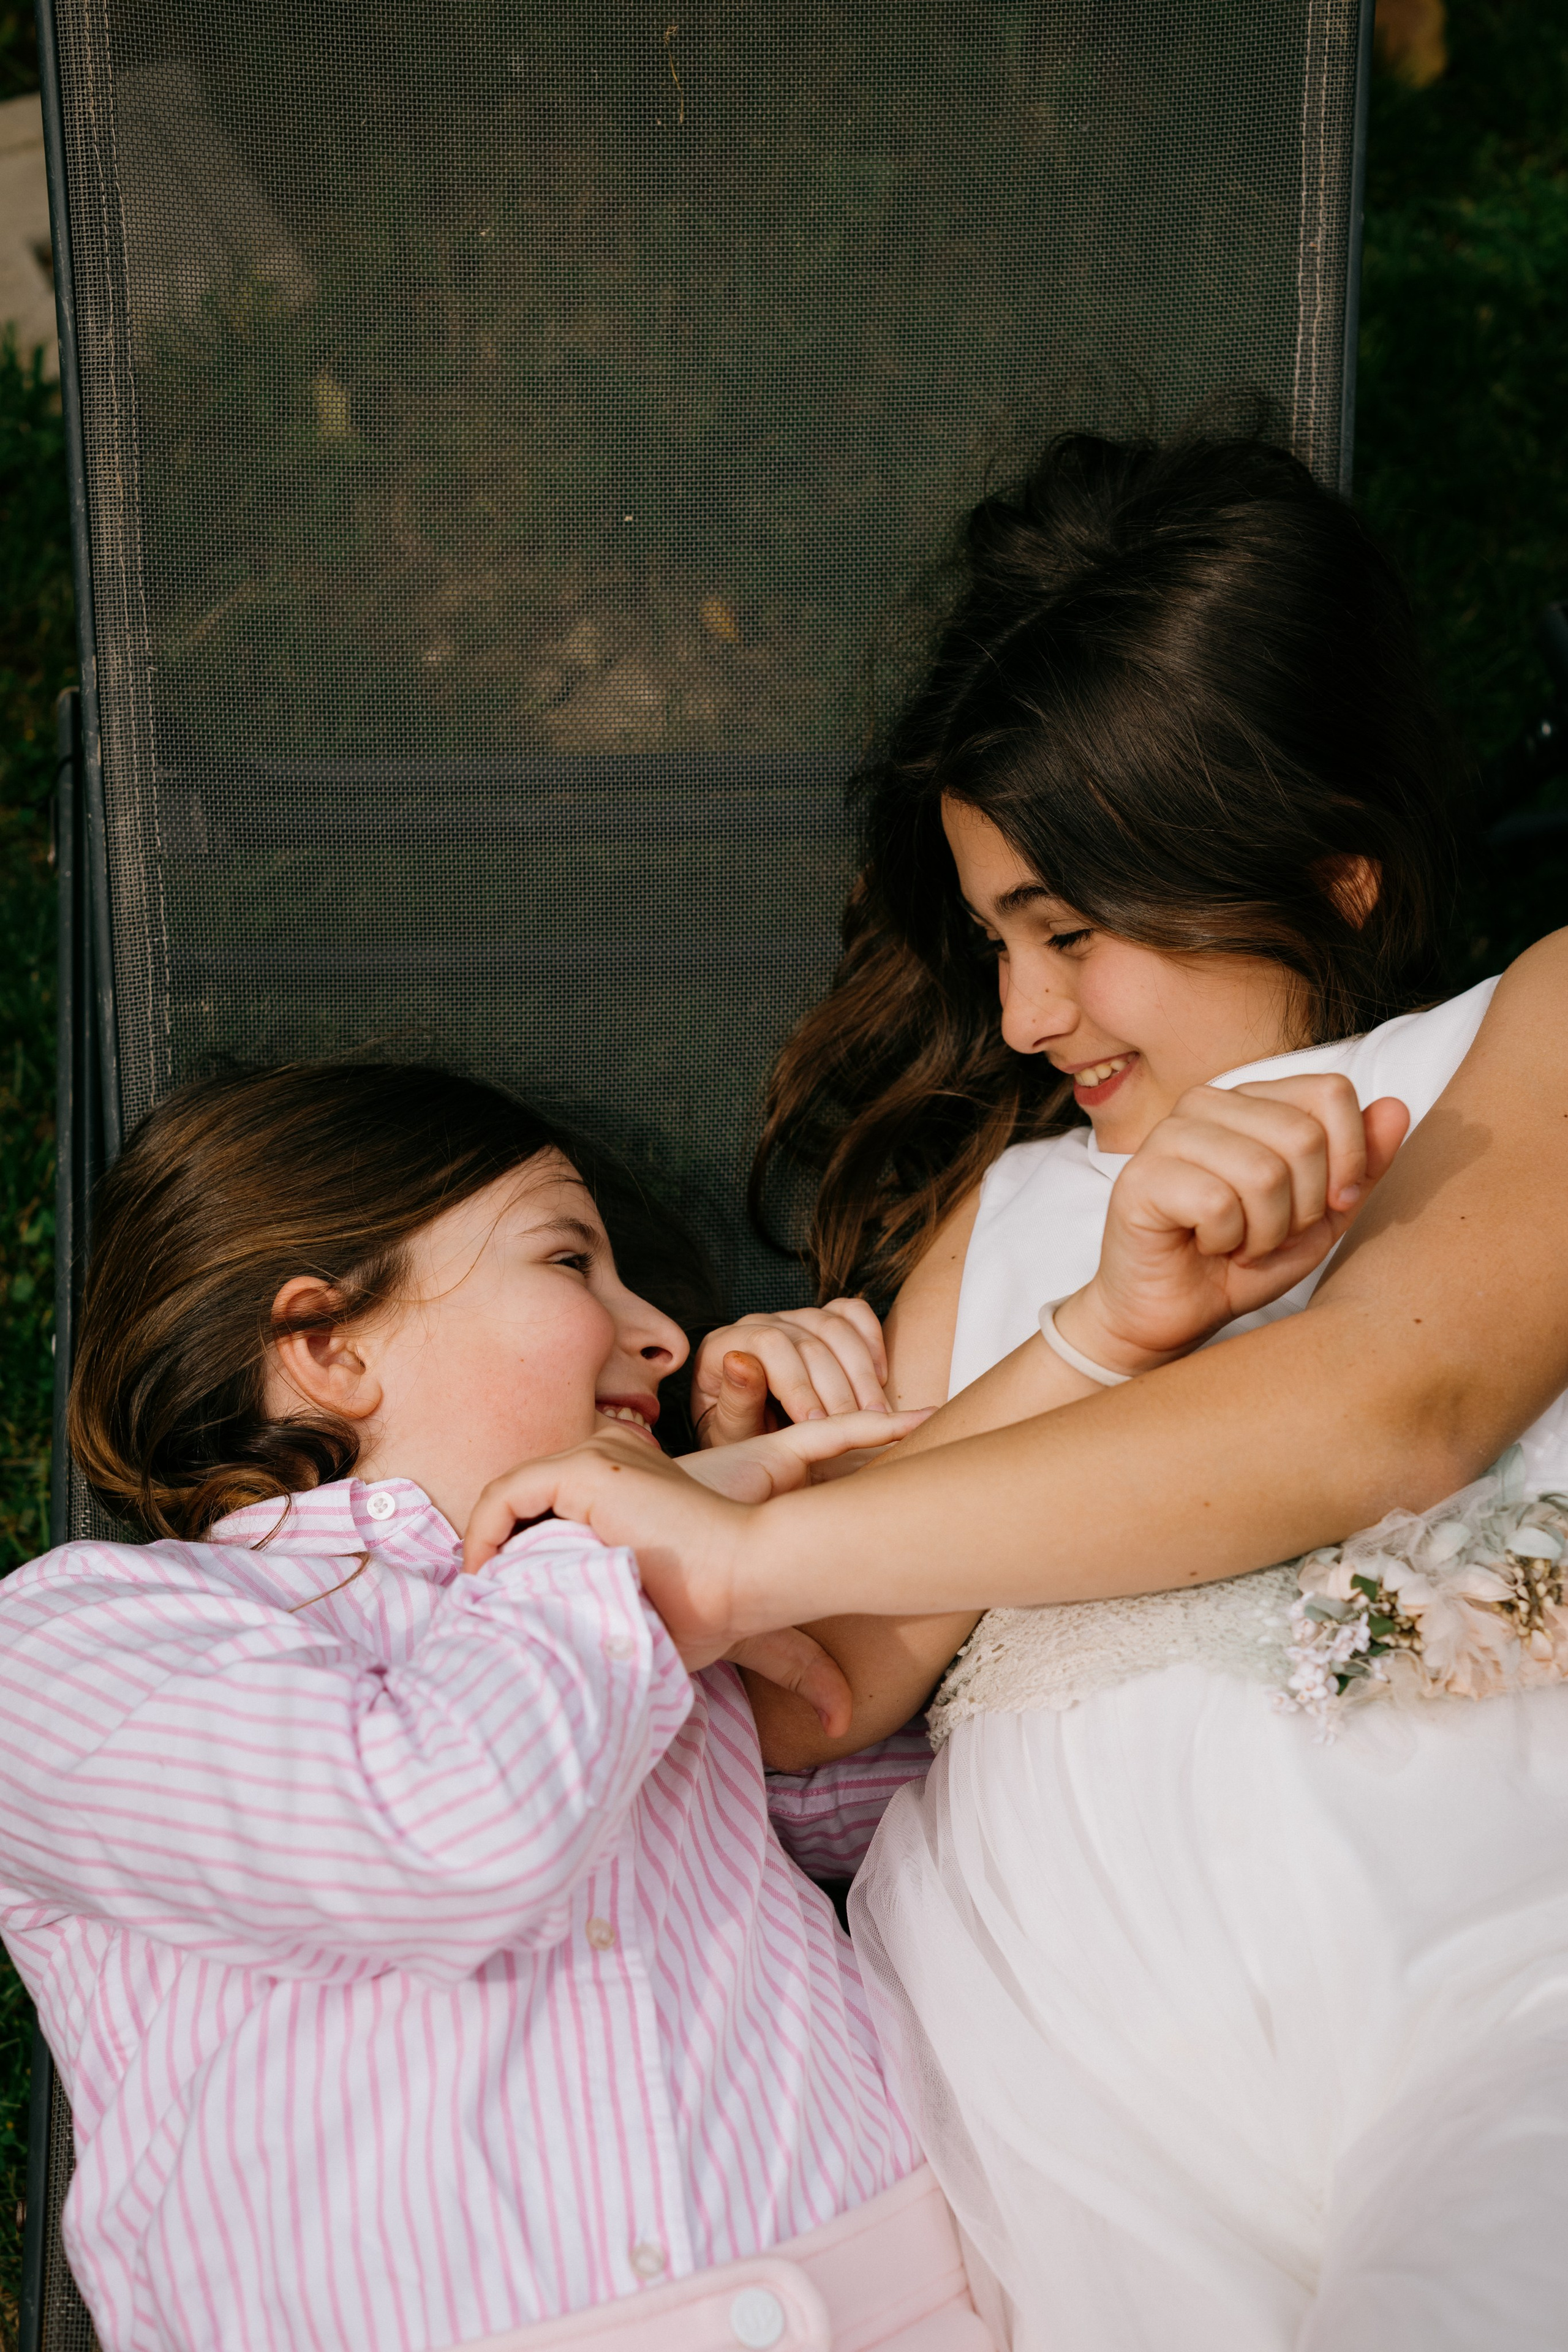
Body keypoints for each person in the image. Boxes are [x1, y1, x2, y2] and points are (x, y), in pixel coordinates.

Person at [465, 434, 1568, 2350]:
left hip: (1492, 1971)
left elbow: (1389, 1404)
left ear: (1330, 870)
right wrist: (755, 1487)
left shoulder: (1525, 1045)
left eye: (1070, 932)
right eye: (994, 944)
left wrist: (760, 1560)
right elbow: (828, 1689)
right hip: (1051, 2088)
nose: (1028, 1019)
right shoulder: (1017, 1221)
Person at [0, 1060, 999, 2352]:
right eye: (569, 1261)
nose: (664, 1338)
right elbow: (442, 1839)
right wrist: (618, 1534)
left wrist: (823, 1508)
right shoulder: (74, 1640)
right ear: (329, 1345)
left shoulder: (638, 1635)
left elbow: (959, 1796)